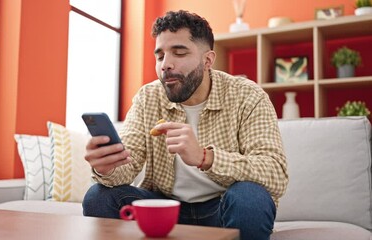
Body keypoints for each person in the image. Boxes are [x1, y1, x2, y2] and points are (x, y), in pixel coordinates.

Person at [83, 10, 288, 240]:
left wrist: (204, 157)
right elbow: (128, 167)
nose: (166, 65)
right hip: (164, 209)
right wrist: (107, 166)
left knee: (250, 198)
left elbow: (275, 173)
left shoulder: (247, 96)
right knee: (98, 196)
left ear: (208, 60)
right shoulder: (148, 98)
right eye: (160, 56)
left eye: (179, 53)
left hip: (222, 209)